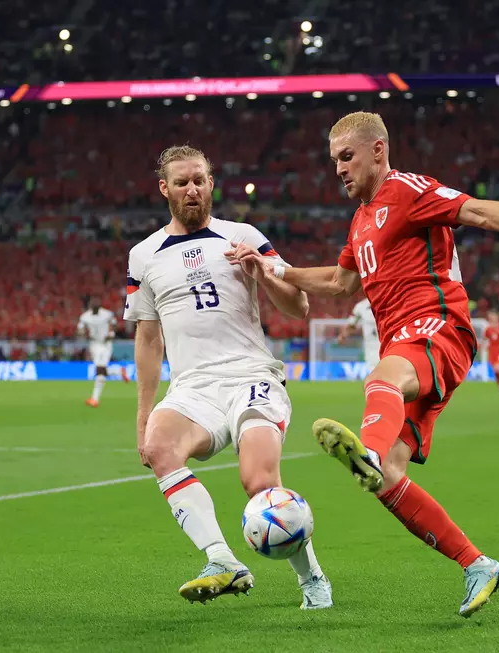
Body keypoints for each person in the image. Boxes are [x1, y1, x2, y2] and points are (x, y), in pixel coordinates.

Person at [229, 111, 499, 618]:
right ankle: (477, 565)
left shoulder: (408, 190)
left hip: (437, 325)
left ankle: (369, 452)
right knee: (390, 479)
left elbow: (481, 213)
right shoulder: (360, 219)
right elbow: (340, 285)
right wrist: (275, 268)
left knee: (381, 381)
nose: (338, 168)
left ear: (378, 150)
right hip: (406, 343)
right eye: (333, 159)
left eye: (347, 156)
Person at [125, 145, 332, 609]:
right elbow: (148, 339)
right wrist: (143, 414)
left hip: (251, 377)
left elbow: (298, 308)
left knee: (259, 481)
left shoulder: (243, 237)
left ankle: (312, 579)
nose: (192, 189)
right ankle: (222, 560)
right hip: (193, 388)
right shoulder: (144, 257)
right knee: (161, 447)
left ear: (211, 182)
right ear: (165, 189)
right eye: (182, 182)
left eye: (199, 179)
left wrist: (262, 272)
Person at [77, 297, 126, 408]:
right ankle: (117, 371)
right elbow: (80, 329)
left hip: (105, 344)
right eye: (93, 303)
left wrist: (111, 334)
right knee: (101, 369)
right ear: (90, 305)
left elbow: (114, 325)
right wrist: (82, 333)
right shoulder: (85, 317)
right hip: (94, 344)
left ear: (99, 305)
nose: (95, 304)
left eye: (96, 303)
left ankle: (94, 399)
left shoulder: (107, 314)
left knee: (99, 369)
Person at [337, 297, 380, 370]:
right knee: (374, 371)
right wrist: (343, 336)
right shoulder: (360, 306)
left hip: (387, 343)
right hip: (370, 346)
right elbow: (351, 324)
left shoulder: (387, 302)